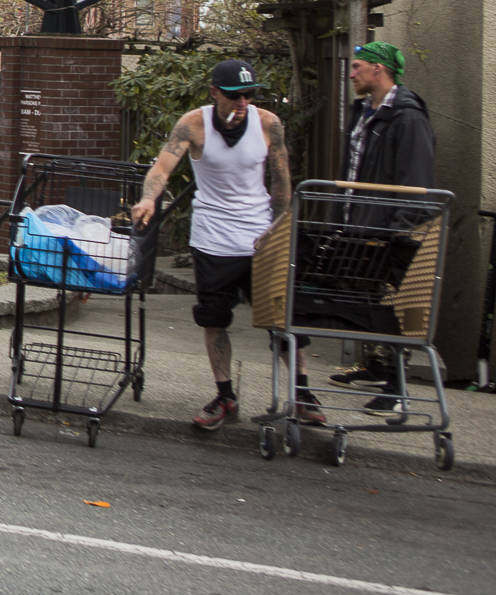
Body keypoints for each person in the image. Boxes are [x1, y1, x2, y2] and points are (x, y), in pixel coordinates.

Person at [130, 59, 325, 431]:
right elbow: (161, 167)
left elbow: (282, 181)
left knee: (281, 319)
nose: (243, 103)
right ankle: (225, 394)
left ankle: (302, 392)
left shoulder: (268, 123)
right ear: (215, 92)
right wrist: (149, 199)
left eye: (249, 95)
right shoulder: (193, 124)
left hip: (260, 238)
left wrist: (280, 227)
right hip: (213, 238)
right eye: (235, 96)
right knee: (214, 319)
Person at [328, 41, 438, 401]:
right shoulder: (362, 112)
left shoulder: (407, 115)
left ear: (379, 69)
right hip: (358, 222)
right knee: (364, 300)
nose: (352, 72)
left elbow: (415, 177)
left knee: (388, 304)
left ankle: (395, 380)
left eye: (358, 66)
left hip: (387, 229)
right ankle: (373, 364)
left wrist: (399, 229)